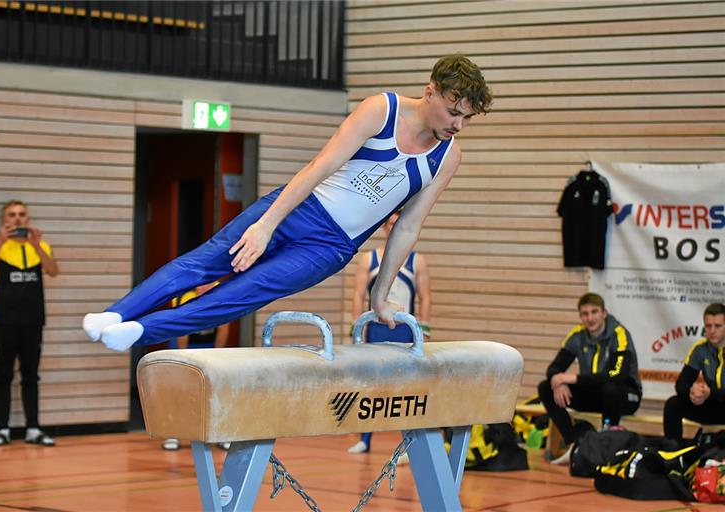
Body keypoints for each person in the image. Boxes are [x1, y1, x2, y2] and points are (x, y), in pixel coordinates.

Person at [82, 54, 492, 351]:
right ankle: (118, 313)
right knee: (207, 262)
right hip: (298, 207)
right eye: (454, 111)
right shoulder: (381, 110)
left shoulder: (448, 157)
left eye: (467, 119)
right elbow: (319, 167)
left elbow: (407, 226)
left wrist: (379, 295)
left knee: (246, 292)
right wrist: (266, 225)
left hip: (330, 248)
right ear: (430, 91)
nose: (457, 125)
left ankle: (142, 331)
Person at [0, 200, 59, 446]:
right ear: (4, 219)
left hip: (33, 321)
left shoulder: (41, 244)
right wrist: (0, 242)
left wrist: (37, 246)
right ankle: (2, 429)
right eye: (12, 215)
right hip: (3, 321)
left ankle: (33, 428)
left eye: (22, 214)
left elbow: (53, 271)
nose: (17, 219)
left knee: (30, 375)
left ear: (28, 218)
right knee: (3, 374)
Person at [347, 210, 431, 454]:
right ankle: (364, 438)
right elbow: (357, 295)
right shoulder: (369, 259)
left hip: (406, 331)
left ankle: (408, 441)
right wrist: (357, 328)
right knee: (370, 385)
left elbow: (425, 297)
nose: (393, 228)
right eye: (390, 223)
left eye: (398, 223)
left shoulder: (417, 262)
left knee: (407, 387)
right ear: (383, 226)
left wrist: (424, 329)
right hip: (375, 329)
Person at [538, 293, 642, 464]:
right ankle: (574, 442)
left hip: (626, 396)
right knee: (545, 387)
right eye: (585, 314)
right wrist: (559, 382)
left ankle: (606, 446)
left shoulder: (619, 334)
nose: (590, 318)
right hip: (595, 394)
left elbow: (616, 375)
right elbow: (554, 368)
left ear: (604, 313)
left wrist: (573, 379)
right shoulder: (577, 335)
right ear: (580, 316)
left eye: (594, 312)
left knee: (611, 388)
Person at [162, 282, 230, 451]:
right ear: (197, 287)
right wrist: (183, 359)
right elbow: (182, 333)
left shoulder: (221, 294)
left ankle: (221, 434)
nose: (207, 287)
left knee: (215, 390)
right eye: (203, 285)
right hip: (184, 343)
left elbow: (223, 327)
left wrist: (217, 356)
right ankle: (173, 433)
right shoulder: (186, 299)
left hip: (208, 343)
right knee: (180, 389)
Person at [663, 302, 725, 445]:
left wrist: (710, 394)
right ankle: (673, 453)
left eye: (718, 326)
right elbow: (681, 385)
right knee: (673, 405)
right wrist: (692, 392)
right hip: (713, 404)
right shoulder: (700, 349)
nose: (712, 331)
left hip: (719, 400)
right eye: (708, 326)